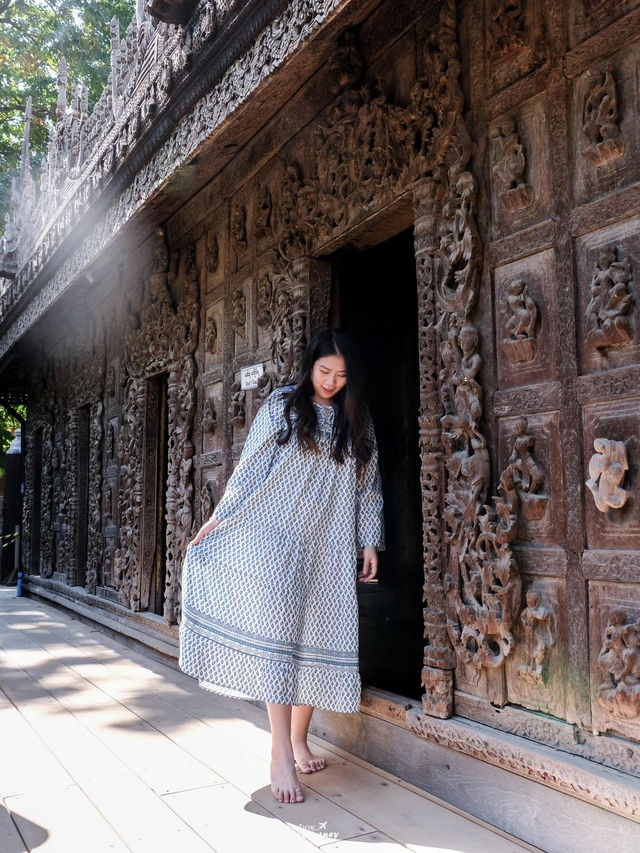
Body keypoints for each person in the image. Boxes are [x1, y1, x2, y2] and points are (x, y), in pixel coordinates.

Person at [179, 327, 384, 805]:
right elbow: (248, 473)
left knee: (315, 635)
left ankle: (298, 738)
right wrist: (217, 520)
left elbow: (369, 485)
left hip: (330, 544)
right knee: (280, 641)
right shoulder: (282, 408)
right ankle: (279, 752)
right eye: (324, 371)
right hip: (277, 539)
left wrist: (370, 541)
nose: (332, 382)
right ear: (310, 366)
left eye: (341, 375)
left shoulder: (359, 420)